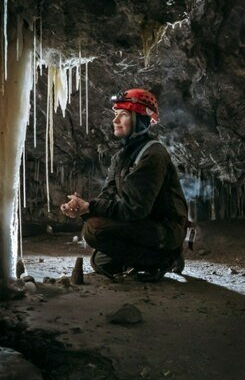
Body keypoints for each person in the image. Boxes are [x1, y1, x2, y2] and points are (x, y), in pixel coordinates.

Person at [60, 88, 188, 281]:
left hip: (165, 228)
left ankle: (167, 258)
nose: (115, 120)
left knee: (93, 230)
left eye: (123, 115)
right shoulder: (121, 157)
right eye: (115, 114)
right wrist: (83, 209)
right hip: (144, 225)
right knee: (100, 262)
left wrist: (91, 208)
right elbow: (108, 194)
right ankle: (148, 260)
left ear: (140, 119)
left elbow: (134, 209)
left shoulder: (153, 155)